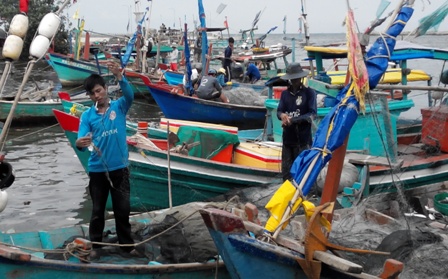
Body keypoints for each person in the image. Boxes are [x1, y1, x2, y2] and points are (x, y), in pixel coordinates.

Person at [75, 62, 136, 256]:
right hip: (97, 171)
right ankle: (96, 247)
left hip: (120, 169)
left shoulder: (119, 107)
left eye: (99, 91)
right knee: (97, 211)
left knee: (123, 210)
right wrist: (80, 143)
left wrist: (120, 76)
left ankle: (127, 247)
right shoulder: (87, 116)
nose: (97, 96)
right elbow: (81, 140)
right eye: (92, 93)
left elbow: (130, 95)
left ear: (106, 89)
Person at [277, 62, 317, 181]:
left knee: (303, 173)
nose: (294, 82)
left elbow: (312, 114)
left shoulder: (309, 93)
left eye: (296, 79)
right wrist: (283, 116)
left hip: (303, 140)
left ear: (301, 78)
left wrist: (293, 121)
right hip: (288, 140)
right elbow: (279, 111)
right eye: (292, 79)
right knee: (287, 174)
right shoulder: (285, 94)